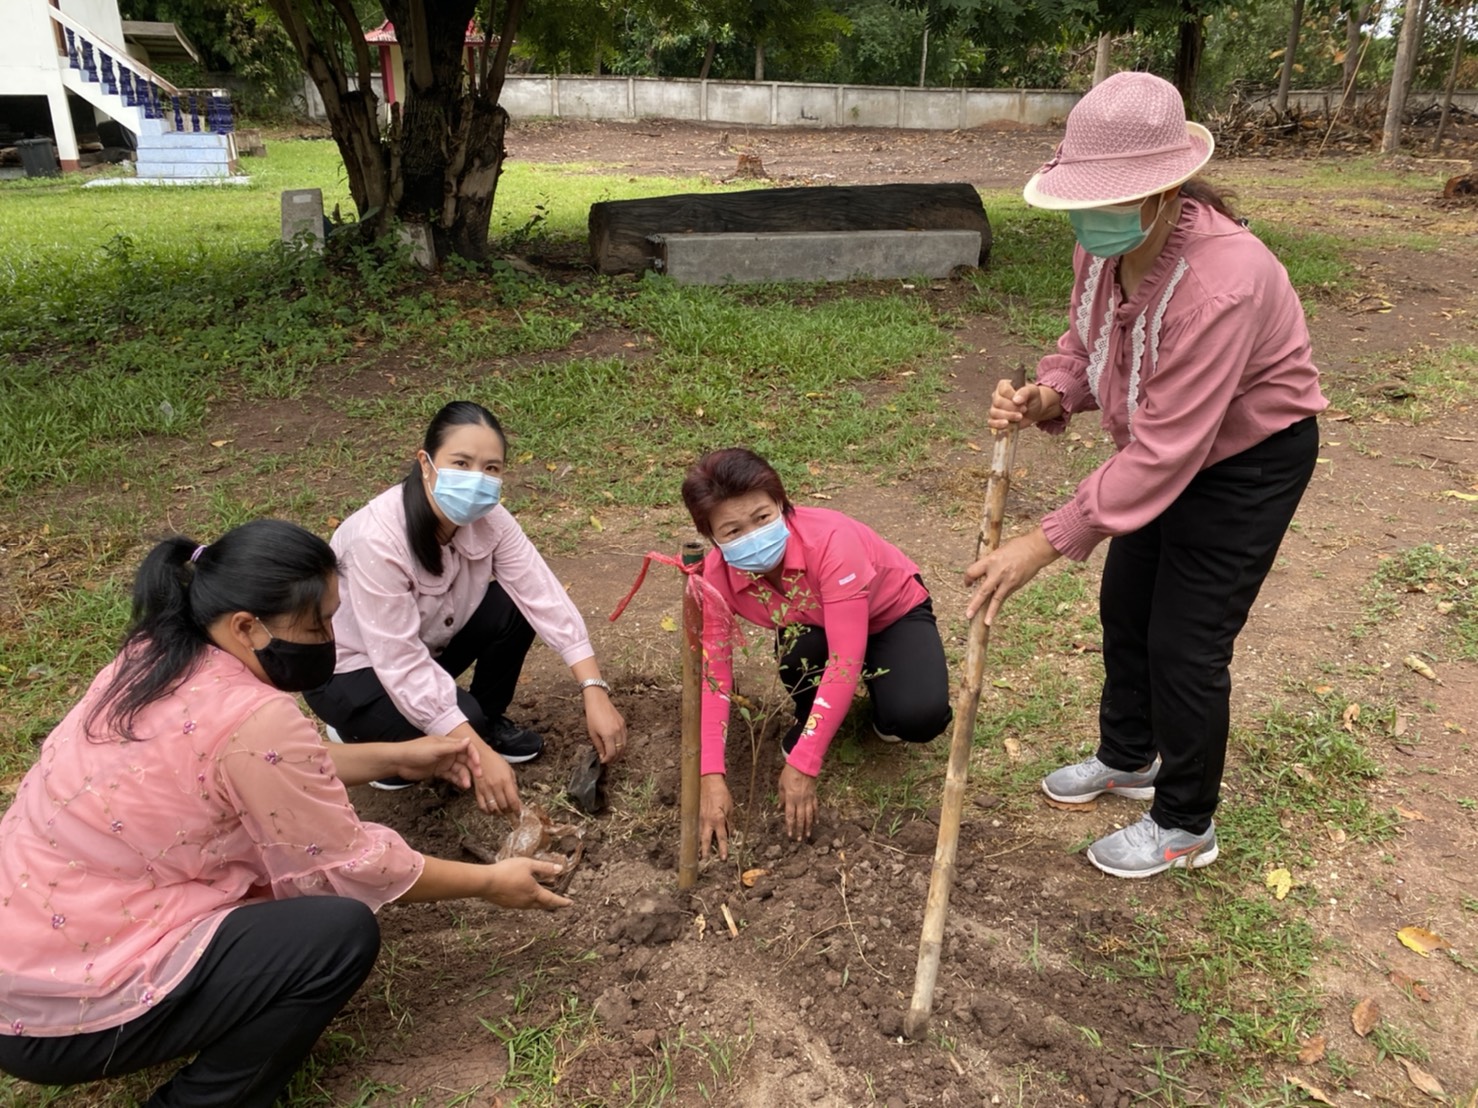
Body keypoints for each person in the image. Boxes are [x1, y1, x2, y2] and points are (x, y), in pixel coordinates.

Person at [0, 520, 568, 1107]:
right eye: (316, 624)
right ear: (247, 626)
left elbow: (258, 761)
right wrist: (491, 883)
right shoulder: (254, 717)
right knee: (336, 936)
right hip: (67, 1011)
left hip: (22, 953)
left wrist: (398, 756)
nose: (328, 637)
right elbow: (353, 864)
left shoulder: (153, 655)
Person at [964, 72, 1326, 879]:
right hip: (1163, 446)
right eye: (1082, 200)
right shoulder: (1105, 248)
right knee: (1127, 607)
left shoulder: (1224, 281)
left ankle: (1186, 823)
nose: (1088, 218)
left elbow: (1166, 451)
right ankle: (1129, 757)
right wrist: (1050, 392)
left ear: (1165, 193)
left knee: (1186, 643)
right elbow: (1090, 343)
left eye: (1108, 199)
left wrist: (1041, 543)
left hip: (1248, 462)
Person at [305, 401, 627, 813]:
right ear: (425, 463)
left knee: (513, 606)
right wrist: (476, 750)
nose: (477, 480)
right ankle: (365, 738)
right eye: (461, 463)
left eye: (491, 468)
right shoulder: (377, 540)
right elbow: (399, 661)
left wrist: (593, 689)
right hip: (351, 673)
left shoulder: (491, 519)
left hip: (423, 648)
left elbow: (541, 594)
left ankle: (483, 721)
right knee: (463, 728)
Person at [681, 448, 952, 858]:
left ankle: (878, 709)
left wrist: (804, 764)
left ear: (781, 504)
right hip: (815, 627)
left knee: (918, 716)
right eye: (732, 531)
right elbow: (714, 676)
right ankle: (814, 715)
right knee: (799, 651)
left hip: (890, 614)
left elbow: (845, 662)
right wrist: (710, 776)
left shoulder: (831, 541)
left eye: (762, 517)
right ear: (712, 538)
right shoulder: (717, 576)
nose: (752, 536)